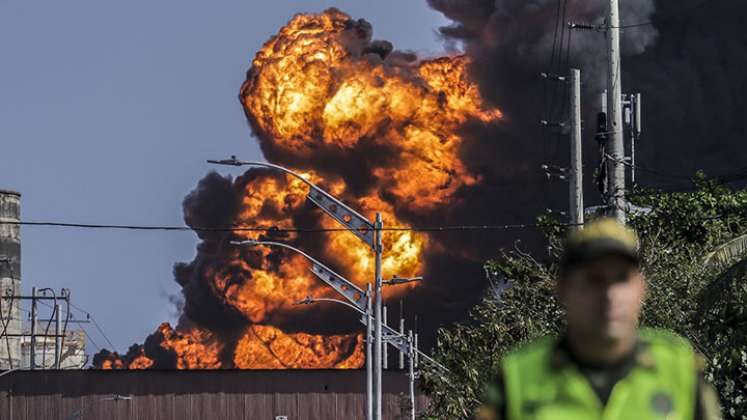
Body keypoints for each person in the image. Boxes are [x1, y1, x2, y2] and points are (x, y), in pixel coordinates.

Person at [476, 218, 721, 420]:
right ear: (563, 290)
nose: (609, 295)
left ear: (640, 289)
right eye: (594, 280)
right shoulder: (518, 378)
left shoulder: (678, 371)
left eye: (621, 279)